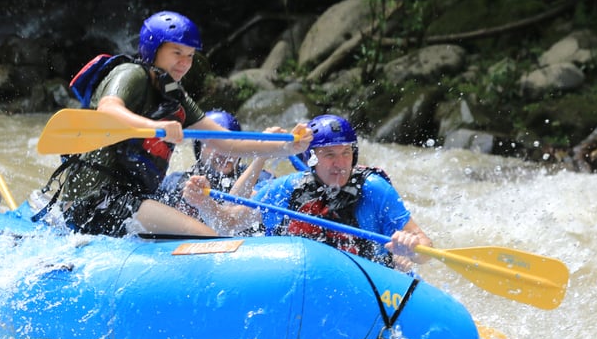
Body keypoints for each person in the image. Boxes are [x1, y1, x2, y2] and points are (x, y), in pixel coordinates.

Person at [51, 10, 311, 237]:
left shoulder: (174, 95)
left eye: (189, 56)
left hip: (133, 199)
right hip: (95, 199)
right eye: (177, 53)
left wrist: (285, 147)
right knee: (209, 236)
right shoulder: (131, 74)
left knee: (199, 232)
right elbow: (109, 109)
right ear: (154, 49)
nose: (184, 63)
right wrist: (156, 128)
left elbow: (227, 142)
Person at [184, 114, 432, 269]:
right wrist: (203, 203)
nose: (340, 163)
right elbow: (229, 224)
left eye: (346, 153)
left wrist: (412, 246)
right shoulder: (287, 188)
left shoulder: (374, 189)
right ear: (311, 158)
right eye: (330, 155)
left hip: (370, 284)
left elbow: (424, 246)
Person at [157, 109, 275, 234]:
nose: (222, 152)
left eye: (228, 144)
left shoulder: (261, 178)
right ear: (199, 149)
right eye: (213, 145)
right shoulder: (177, 183)